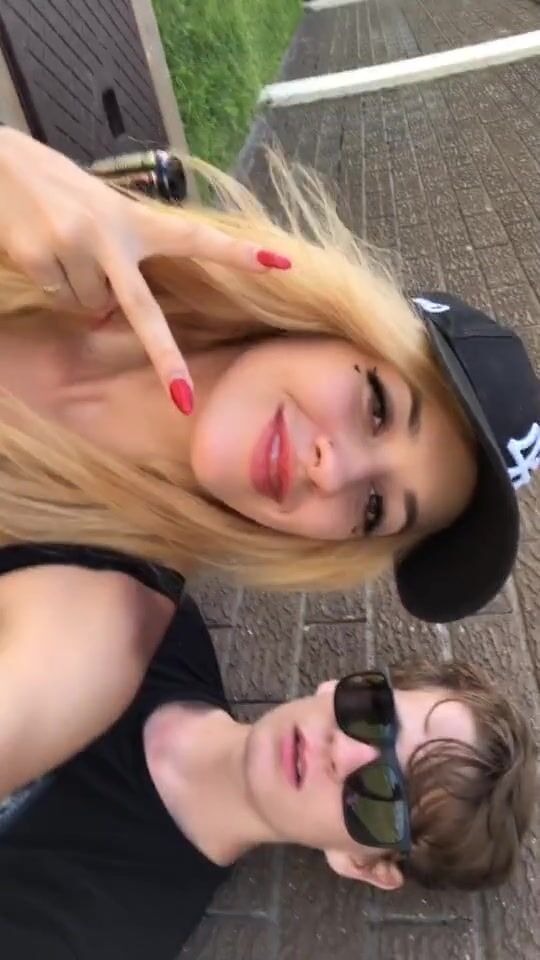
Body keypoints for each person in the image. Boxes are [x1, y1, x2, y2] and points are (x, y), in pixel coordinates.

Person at [0, 128, 538, 797]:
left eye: (374, 508)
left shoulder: (96, 625)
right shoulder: (68, 232)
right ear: (338, 326)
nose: (333, 472)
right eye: (376, 407)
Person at [0, 582, 535, 960]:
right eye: (376, 714)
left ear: (363, 863)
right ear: (338, 685)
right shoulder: (155, 617)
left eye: (384, 794)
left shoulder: (97, 930)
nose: (344, 750)